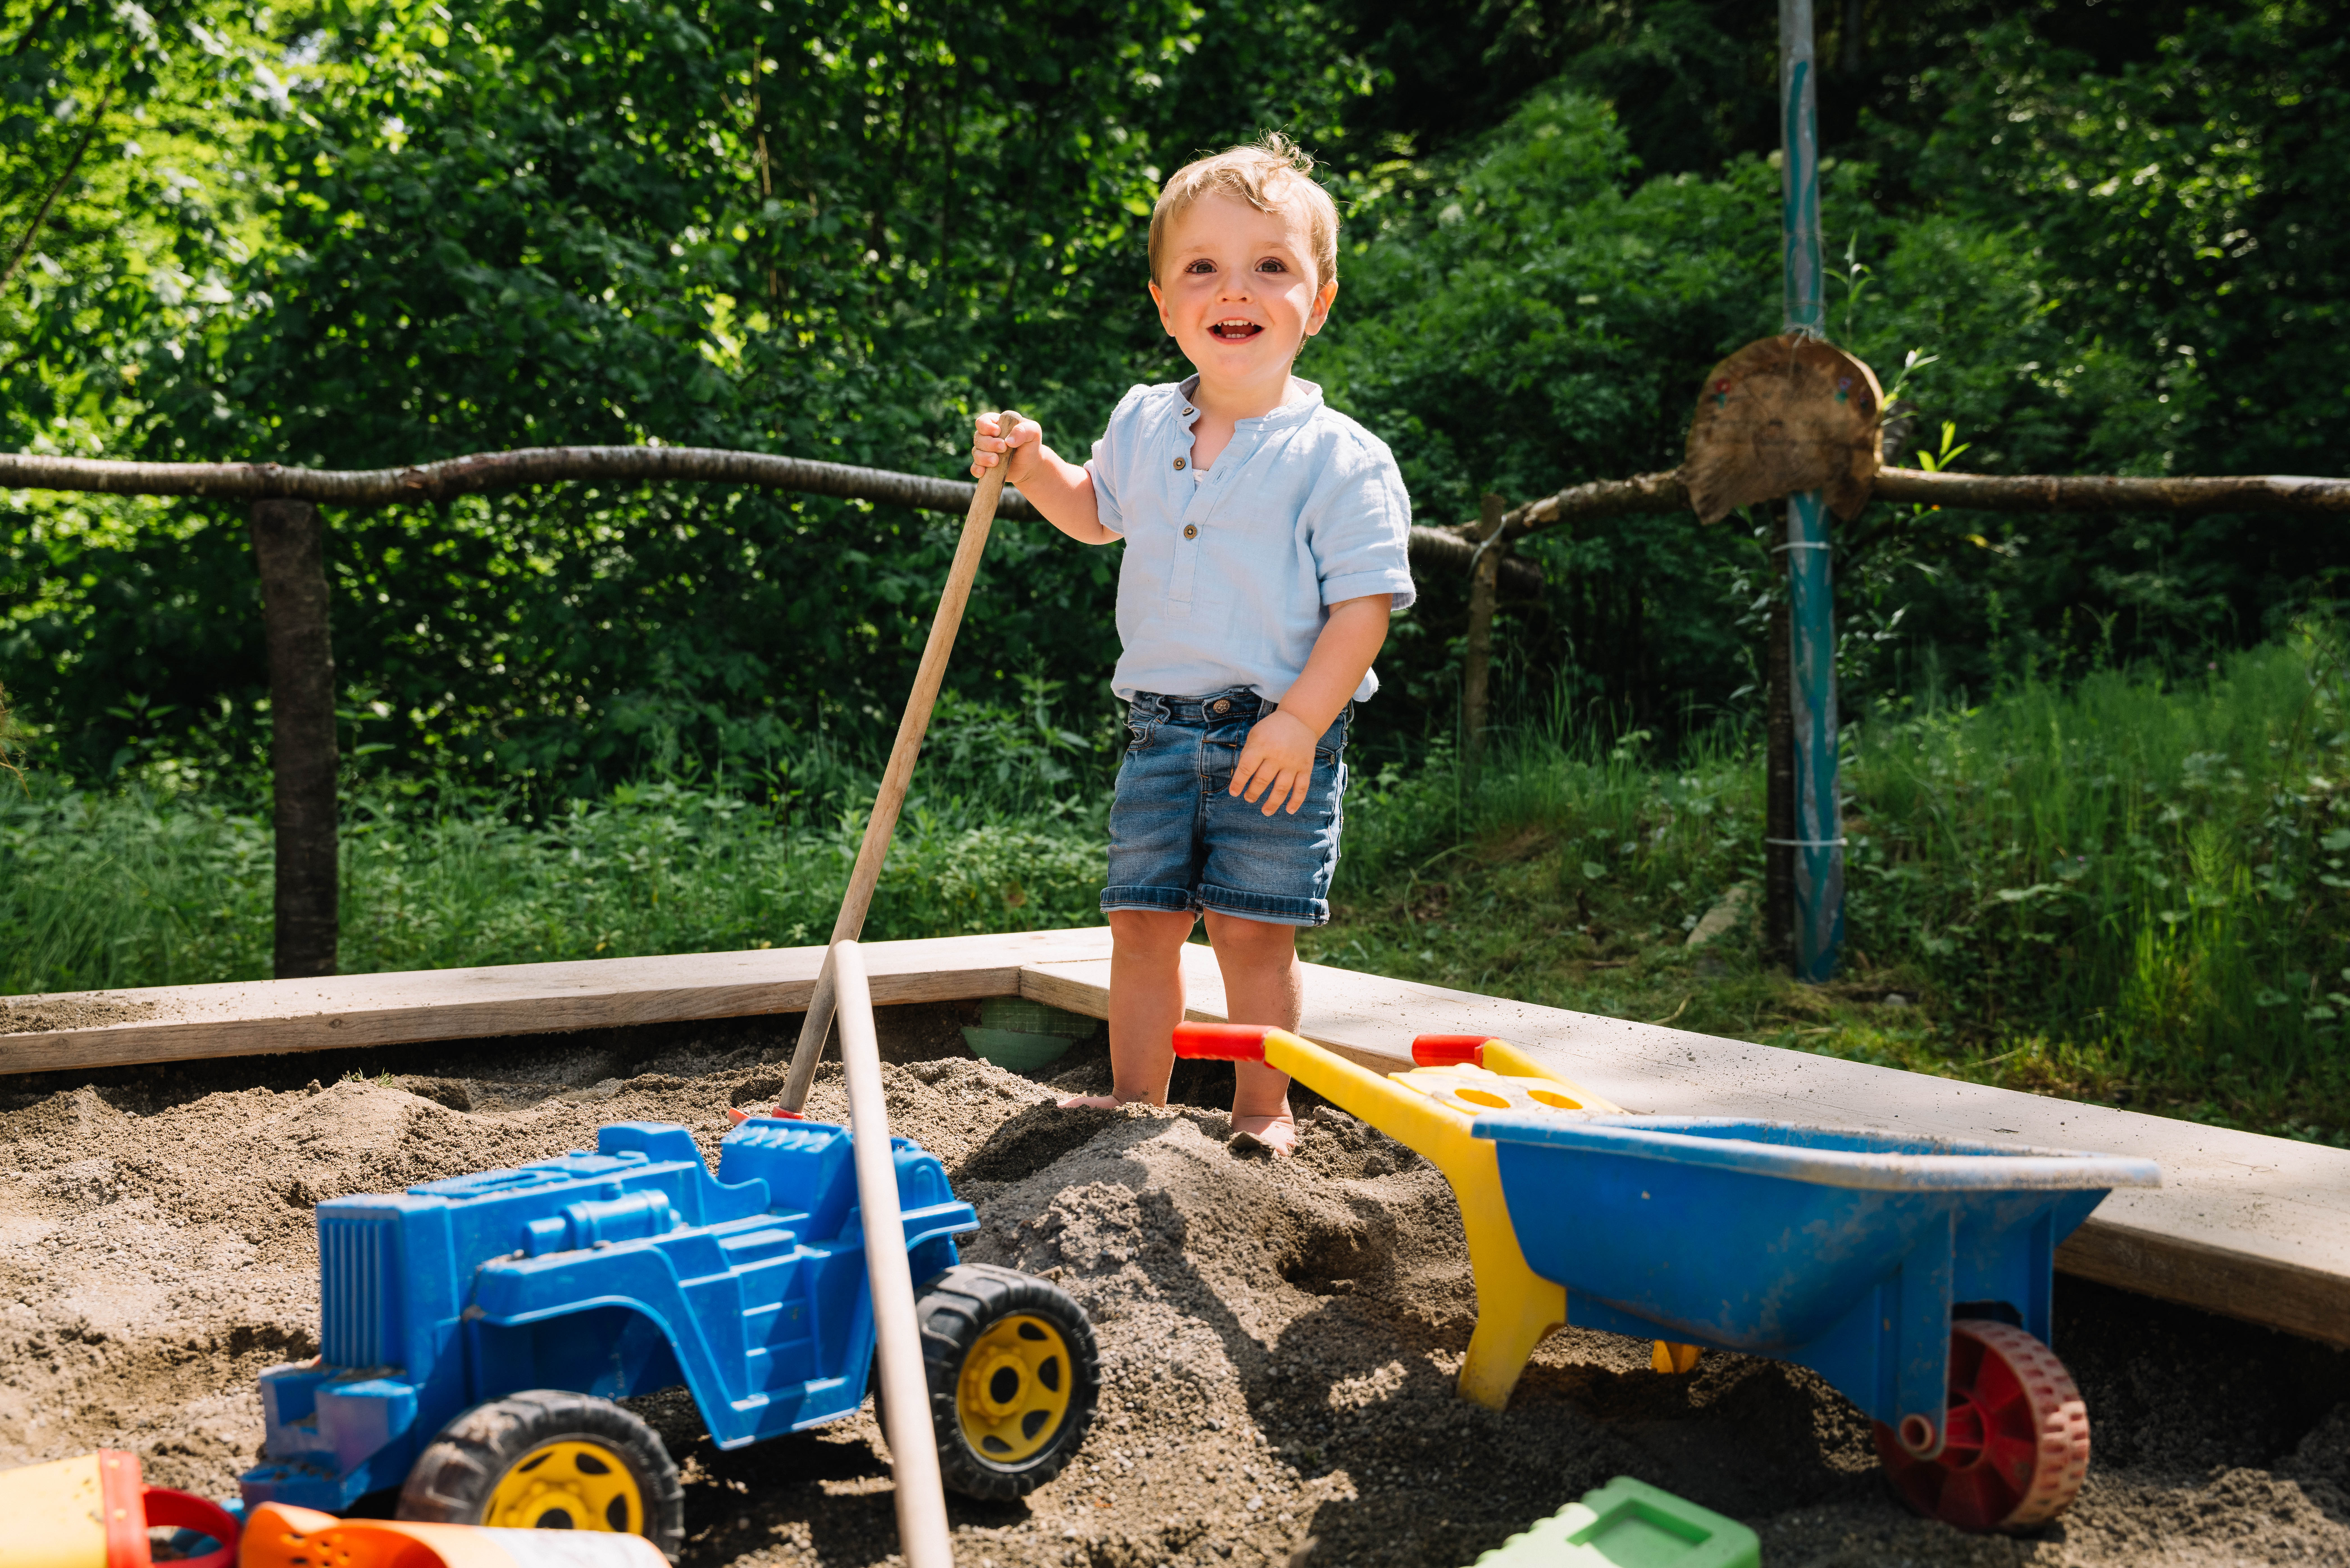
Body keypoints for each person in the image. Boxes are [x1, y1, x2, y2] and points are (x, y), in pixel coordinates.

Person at [969, 134, 1414, 1155]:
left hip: (1278, 733)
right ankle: (1137, 1105)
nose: (1236, 289)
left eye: (1271, 265)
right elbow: (1095, 514)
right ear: (1167, 304)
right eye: (1203, 267)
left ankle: (1264, 1110)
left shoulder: (1340, 458)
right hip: (1160, 730)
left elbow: (1364, 609)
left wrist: (1305, 720)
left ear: (1321, 299)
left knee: (1256, 932)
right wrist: (1037, 467)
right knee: (1142, 924)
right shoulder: (1141, 422)